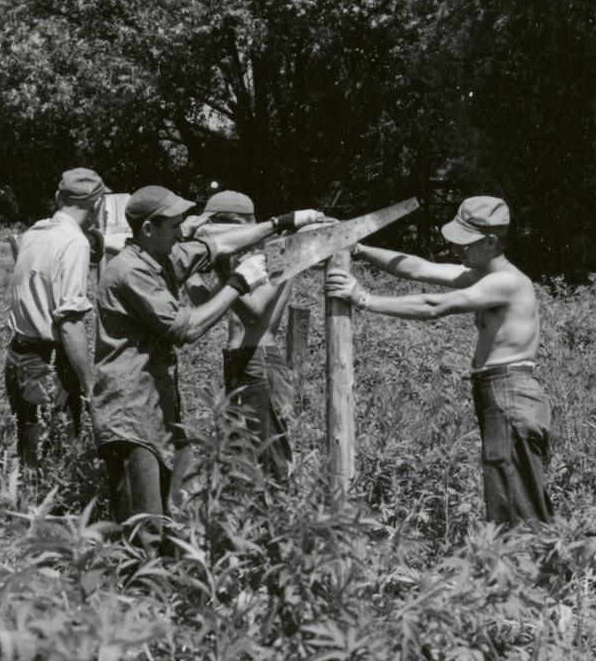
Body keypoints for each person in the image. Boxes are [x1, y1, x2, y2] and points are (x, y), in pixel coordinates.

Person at [92, 185, 322, 531]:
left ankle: (271, 537)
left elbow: (250, 304)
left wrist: (280, 223)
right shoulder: (137, 270)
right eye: (175, 227)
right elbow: (191, 322)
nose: (183, 233)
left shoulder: (162, 257)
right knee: (157, 514)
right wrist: (232, 277)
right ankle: (147, 576)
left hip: (252, 365)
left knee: (260, 464)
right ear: (149, 231)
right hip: (133, 404)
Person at [327, 195, 553, 526]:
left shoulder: (507, 281)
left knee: (516, 498)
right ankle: (520, 569)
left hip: (510, 393)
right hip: (501, 392)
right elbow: (419, 268)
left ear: (491, 242)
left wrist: (364, 298)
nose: (456, 249)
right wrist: (358, 249)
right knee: (509, 491)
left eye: (466, 242)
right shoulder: (481, 273)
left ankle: (533, 571)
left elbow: (436, 305)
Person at [187, 189, 298, 479]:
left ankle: (283, 522)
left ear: (237, 223)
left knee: (269, 459)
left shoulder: (277, 253)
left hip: (260, 362)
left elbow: (254, 313)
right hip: (239, 361)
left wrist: (225, 270)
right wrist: (186, 263)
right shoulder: (242, 260)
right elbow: (204, 302)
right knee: (240, 458)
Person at [5, 166, 104, 479]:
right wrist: (90, 385)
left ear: (60, 197)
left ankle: (23, 514)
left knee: (29, 452)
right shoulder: (74, 243)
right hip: (48, 362)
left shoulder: (36, 232)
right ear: (98, 203)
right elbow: (70, 323)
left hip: (18, 355)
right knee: (56, 460)